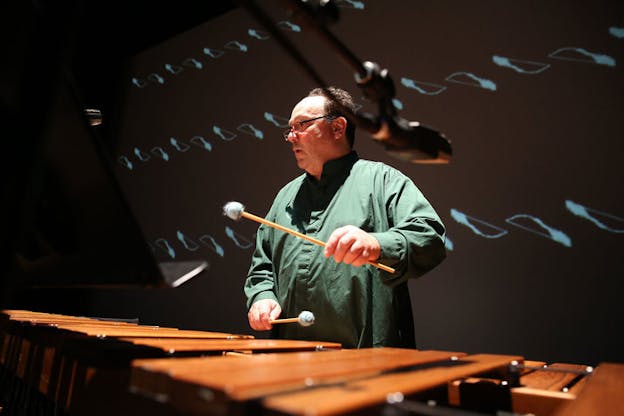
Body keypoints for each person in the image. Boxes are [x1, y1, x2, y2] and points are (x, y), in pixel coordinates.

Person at [244, 86, 446, 348]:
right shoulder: (285, 197)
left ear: (338, 128)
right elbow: (263, 266)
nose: (292, 137)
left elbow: (429, 237)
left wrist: (377, 245)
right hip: (291, 361)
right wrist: (262, 296)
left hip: (368, 363)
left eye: (301, 125)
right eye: (289, 129)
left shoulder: (383, 180)